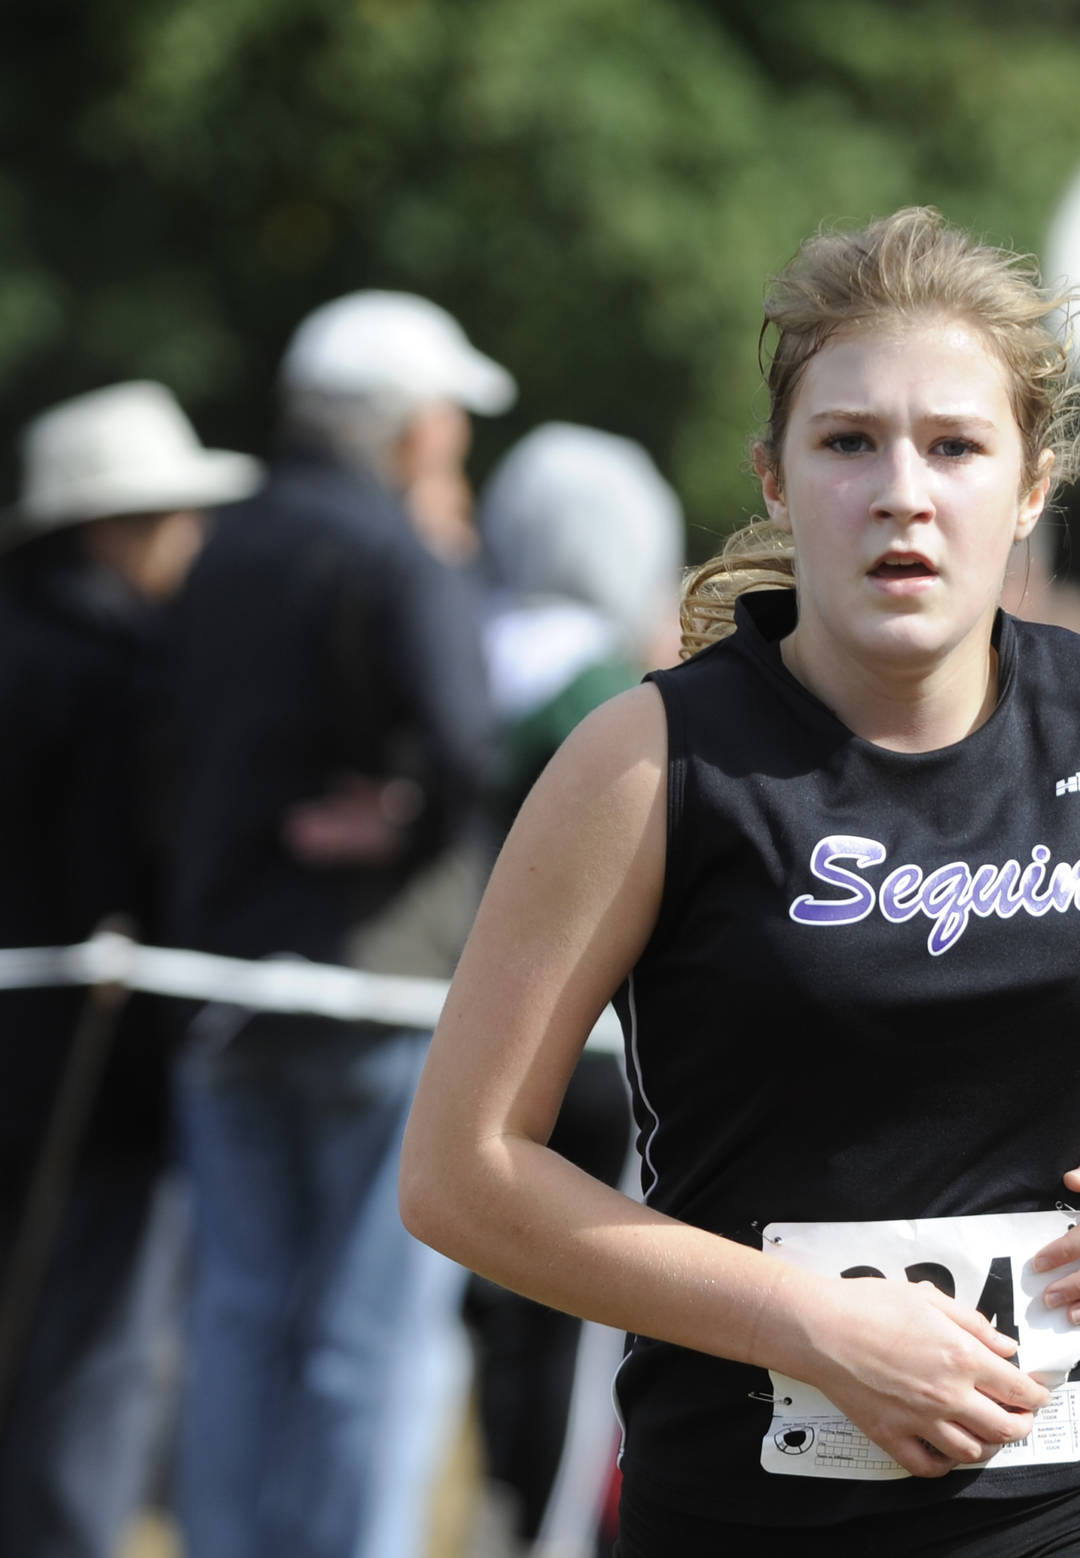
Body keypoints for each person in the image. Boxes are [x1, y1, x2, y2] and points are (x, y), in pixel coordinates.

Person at [399, 207, 1080, 1556]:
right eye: (850, 441)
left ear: (1030, 486)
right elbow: (461, 1171)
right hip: (747, 1513)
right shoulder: (649, 762)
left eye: (956, 446)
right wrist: (806, 1321)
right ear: (779, 478)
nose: (902, 491)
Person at [160, 292, 507, 1558]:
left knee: (238, 1315)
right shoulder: (394, 551)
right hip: (377, 978)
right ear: (413, 431)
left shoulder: (209, 548)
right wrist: (409, 821)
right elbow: (467, 742)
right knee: (369, 1330)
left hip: (214, 971)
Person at [0, 382, 260, 1558]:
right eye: (170, 517)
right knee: (88, 1357)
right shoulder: (120, 674)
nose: (192, 542)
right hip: (85, 1077)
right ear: (111, 528)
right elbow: (134, 872)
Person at [462, 422, 683, 1550]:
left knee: (505, 1321)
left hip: (477, 1037)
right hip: (588, 1055)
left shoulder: (467, 653)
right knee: (576, 1326)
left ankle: (514, 1504)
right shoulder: (606, 696)